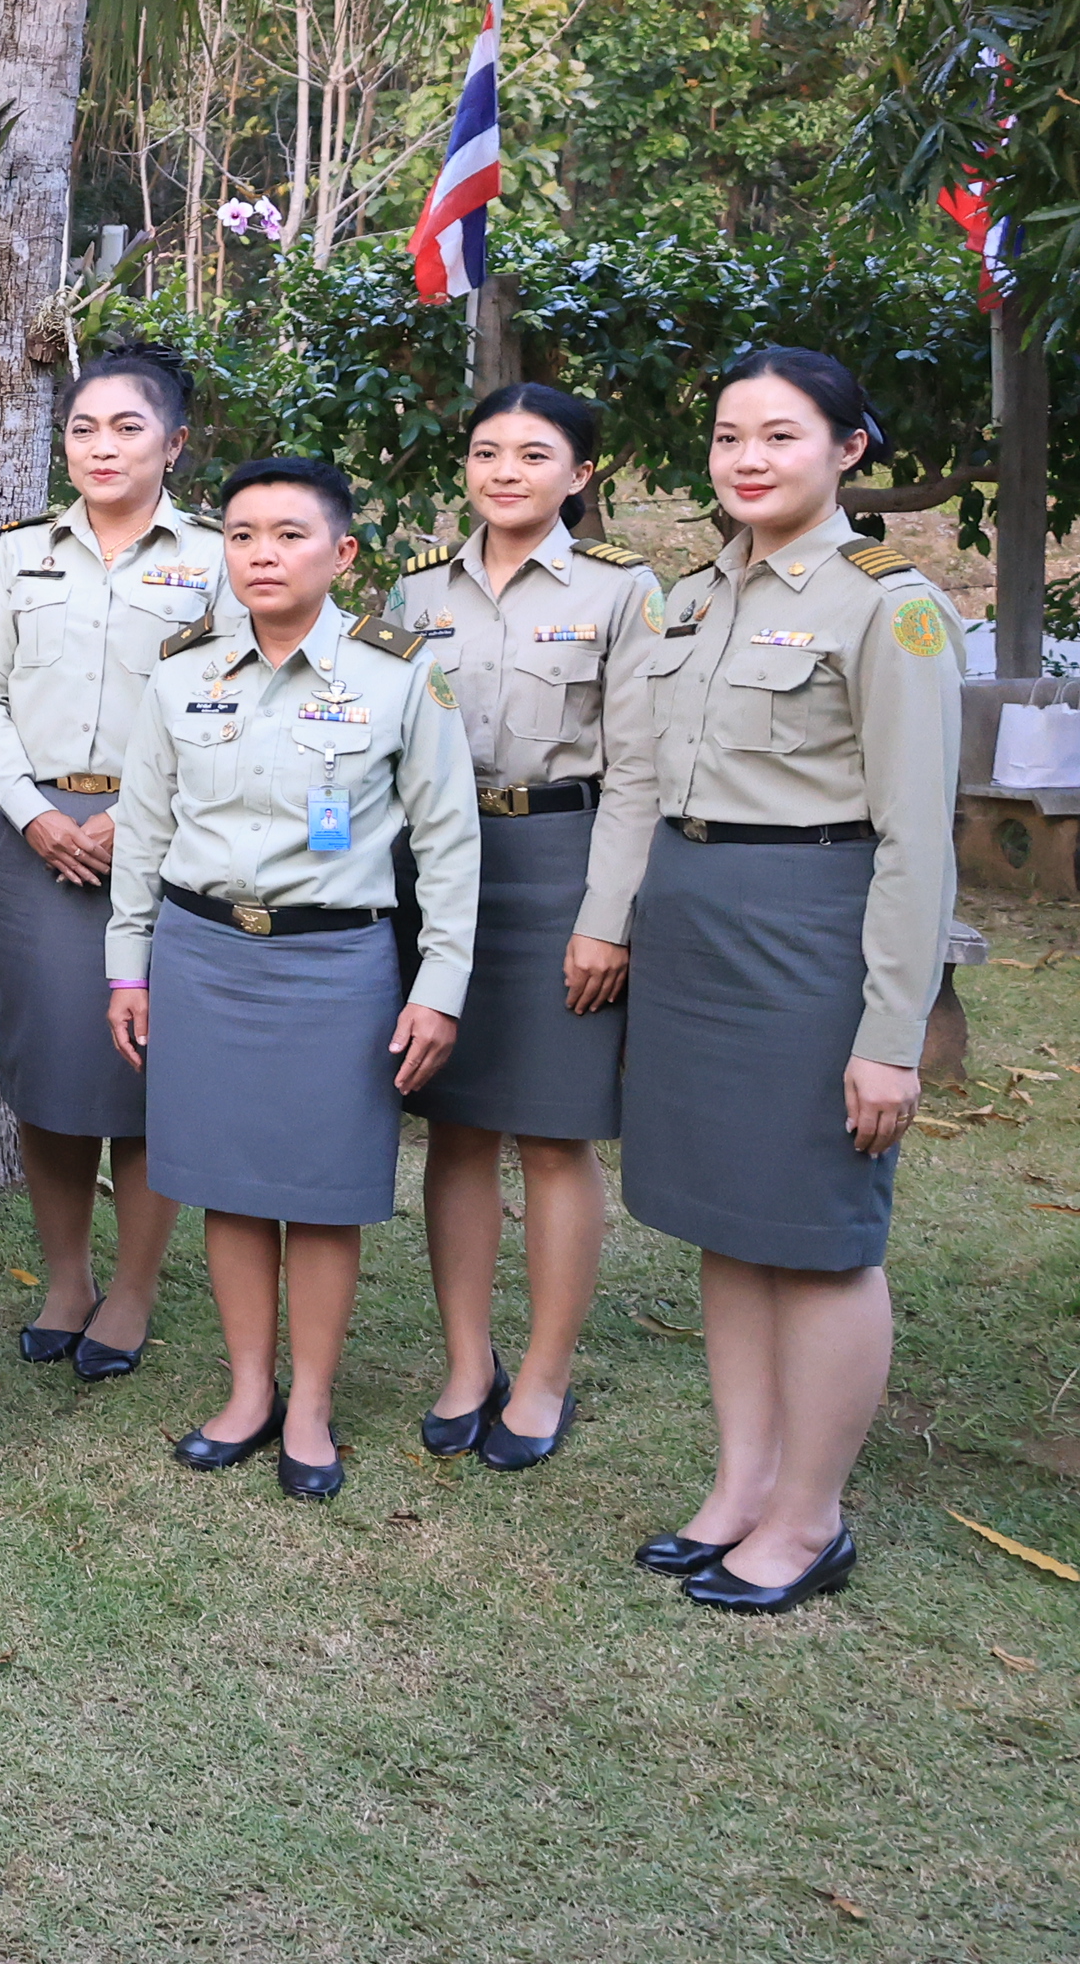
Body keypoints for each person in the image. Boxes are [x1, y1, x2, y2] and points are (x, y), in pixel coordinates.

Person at [615, 347, 962, 1613]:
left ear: (847, 450)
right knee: (728, 1216)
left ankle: (811, 1515)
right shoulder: (698, 596)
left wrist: (890, 1032)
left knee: (816, 1234)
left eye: (780, 437)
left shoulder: (889, 604)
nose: (748, 460)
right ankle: (741, 1481)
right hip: (700, 924)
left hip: (815, 931)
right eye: (727, 438)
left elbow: (920, 836)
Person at [107, 457, 477, 1502]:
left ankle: (310, 1400)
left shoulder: (399, 673)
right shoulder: (183, 669)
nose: (261, 556)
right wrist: (124, 967)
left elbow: (450, 845)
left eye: (288, 536)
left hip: (333, 959)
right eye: (241, 536)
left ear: (343, 553)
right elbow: (142, 833)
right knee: (227, 1181)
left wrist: (438, 985)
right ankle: (248, 1388)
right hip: (202, 952)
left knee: (318, 1192)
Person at [376, 384, 663, 1470]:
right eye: (487, 450)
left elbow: (639, 772)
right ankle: (466, 1360)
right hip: (442, 868)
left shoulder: (621, 595)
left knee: (550, 1134)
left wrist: (607, 917)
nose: (505, 472)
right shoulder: (413, 592)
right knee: (452, 1126)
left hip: (560, 867)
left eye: (534, 455)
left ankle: (544, 1373)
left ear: (580, 474)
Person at [0, 348, 223, 1382]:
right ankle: (67, 1275)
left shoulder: (213, 559)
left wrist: (139, 816)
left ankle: (137, 1289)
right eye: (83, 429)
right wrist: (30, 812)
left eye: (127, 428)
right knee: (53, 1069)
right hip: (37, 839)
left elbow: (231, 697)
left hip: (168, 833)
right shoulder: (22, 556)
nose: (102, 447)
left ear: (175, 443)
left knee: (145, 1068)